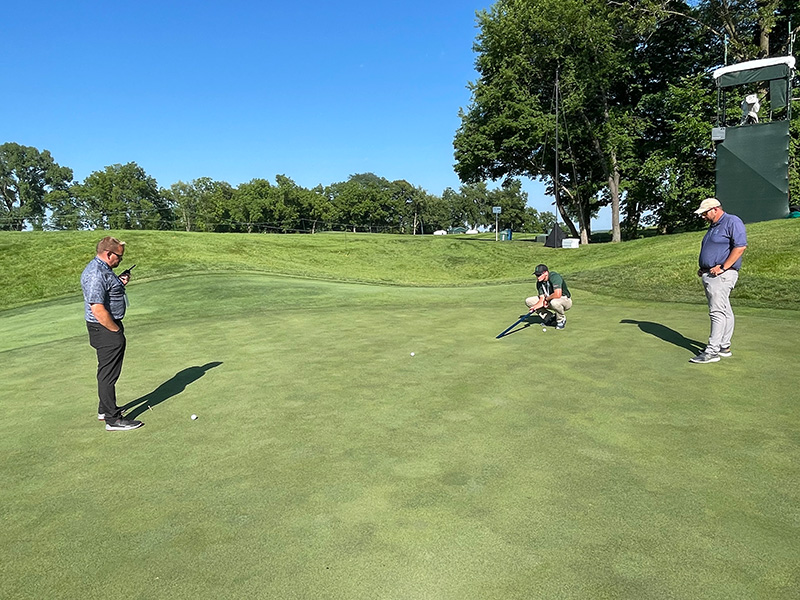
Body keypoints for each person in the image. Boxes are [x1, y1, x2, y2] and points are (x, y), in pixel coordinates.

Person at [81, 236, 144, 431]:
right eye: (119, 257)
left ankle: (104, 409)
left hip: (107, 327)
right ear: (108, 254)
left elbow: (108, 292)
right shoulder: (95, 273)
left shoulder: (104, 270)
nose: (120, 261)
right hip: (105, 328)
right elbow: (97, 308)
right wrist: (115, 330)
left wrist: (120, 282)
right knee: (108, 374)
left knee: (106, 370)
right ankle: (113, 420)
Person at [689, 198, 747, 364]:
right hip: (711, 274)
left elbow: (740, 246)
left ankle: (712, 351)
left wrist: (723, 267)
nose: (703, 216)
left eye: (705, 213)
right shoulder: (714, 226)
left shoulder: (732, 221)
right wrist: (705, 267)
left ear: (715, 209)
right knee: (724, 310)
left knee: (716, 312)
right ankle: (723, 346)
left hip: (721, 275)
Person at [526, 264, 572, 330]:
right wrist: (534, 307)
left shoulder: (554, 277)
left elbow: (557, 294)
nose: (537, 277)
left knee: (554, 302)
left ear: (546, 273)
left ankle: (561, 320)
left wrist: (547, 299)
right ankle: (551, 318)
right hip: (549, 301)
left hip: (564, 300)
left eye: (539, 275)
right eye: (536, 275)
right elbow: (541, 299)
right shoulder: (539, 283)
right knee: (529, 301)